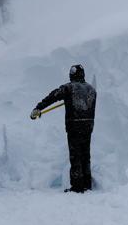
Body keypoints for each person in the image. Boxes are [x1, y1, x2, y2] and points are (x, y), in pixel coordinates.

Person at [31, 64, 97, 193]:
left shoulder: (69, 88)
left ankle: (77, 186)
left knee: (75, 155)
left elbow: (53, 96)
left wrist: (38, 108)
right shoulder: (92, 89)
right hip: (88, 125)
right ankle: (87, 184)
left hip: (74, 125)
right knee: (85, 155)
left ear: (72, 75)